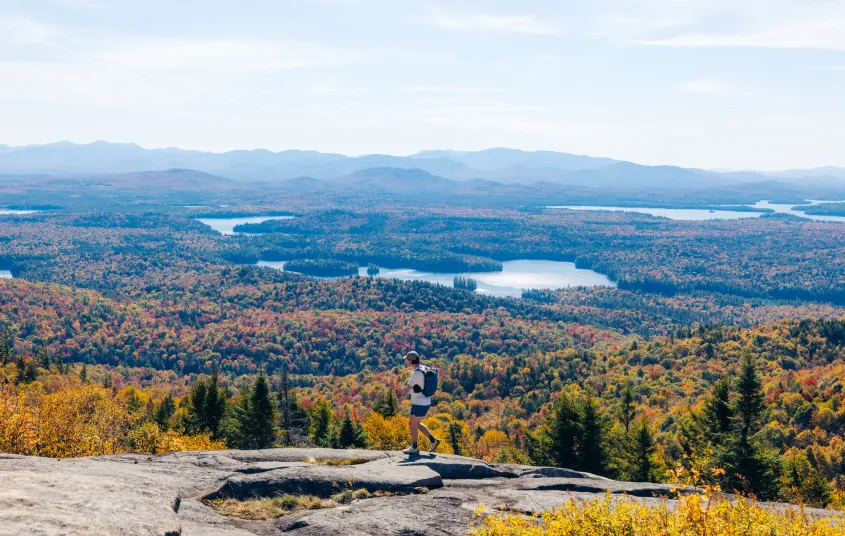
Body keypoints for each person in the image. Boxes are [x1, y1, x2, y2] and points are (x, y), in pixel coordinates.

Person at [402, 351, 441, 455]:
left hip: (419, 403)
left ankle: (414, 447)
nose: (407, 362)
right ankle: (433, 440)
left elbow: (408, 387)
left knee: (412, 425)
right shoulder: (423, 368)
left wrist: (411, 386)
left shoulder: (417, 373)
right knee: (414, 423)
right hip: (424, 401)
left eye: (407, 360)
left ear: (410, 361)